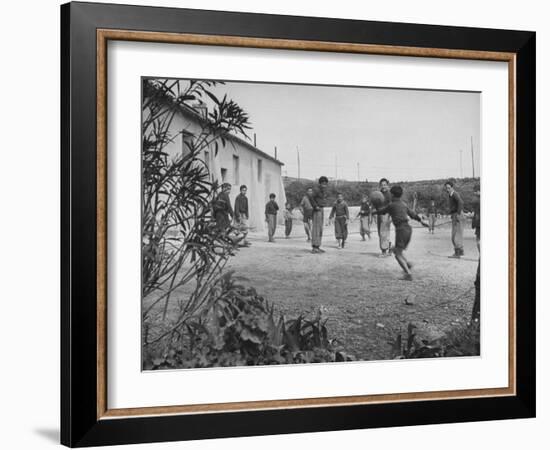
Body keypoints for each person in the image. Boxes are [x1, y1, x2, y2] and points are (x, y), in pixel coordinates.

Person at [372, 185, 429, 281]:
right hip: (408, 230)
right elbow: (413, 215)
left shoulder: (391, 205)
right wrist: (421, 222)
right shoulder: (403, 204)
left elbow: (381, 212)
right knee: (396, 250)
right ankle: (408, 264)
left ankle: (408, 274)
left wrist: (374, 209)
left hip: (401, 230)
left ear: (393, 195)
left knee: (397, 254)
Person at [309, 176, 329, 253]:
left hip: (321, 209)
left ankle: (318, 246)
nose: (324, 185)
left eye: (325, 184)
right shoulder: (316, 190)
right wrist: (315, 206)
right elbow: (310, 197)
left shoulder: (322, 191)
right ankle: (314, 247)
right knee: (316, 229)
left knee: (320, 228)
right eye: (323, 183)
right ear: (320, 183)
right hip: (317, 210)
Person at [445, 181, 465, 258]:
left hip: (458, 215)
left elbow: (461, 202)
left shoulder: (454, 194)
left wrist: (458, 214)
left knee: (456, 236)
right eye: (446, 188)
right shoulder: (450, 195)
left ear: (452, 187)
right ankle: (460, 251)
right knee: (454, 235)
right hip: (454, 215)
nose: (447, 189)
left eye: (449, 188)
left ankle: (458, 253)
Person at [376, 178, 393, 257]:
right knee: (381, 233)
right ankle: (389, 247)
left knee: (383, 233)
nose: (383, 186)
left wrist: (391, 216)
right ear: (380, 185)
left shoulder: (389, 195)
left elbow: (392, 206)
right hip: (379, 215)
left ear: (387, 185)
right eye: (382, 185)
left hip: (386, 215)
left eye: (385, 185)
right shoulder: (379, 194)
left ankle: (384, 252)